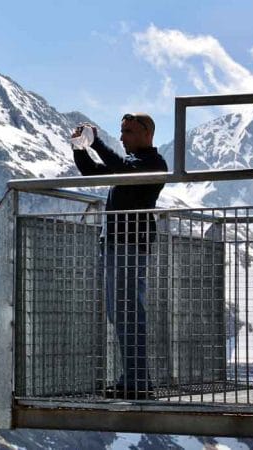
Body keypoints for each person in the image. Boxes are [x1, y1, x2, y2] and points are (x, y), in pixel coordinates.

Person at [70, 113, 168, 400]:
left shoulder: (151, 164)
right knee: (120, 314)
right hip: (114, 245)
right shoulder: (131, 166)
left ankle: (137, 382)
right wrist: (79, 147)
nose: (123, 137)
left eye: (128, 132)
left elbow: (120, 167)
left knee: (128, 314)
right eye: (122, 131)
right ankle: (134, 378)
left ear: (147, 134)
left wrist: (96, 142)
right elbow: (92, 173)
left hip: (128, 245)